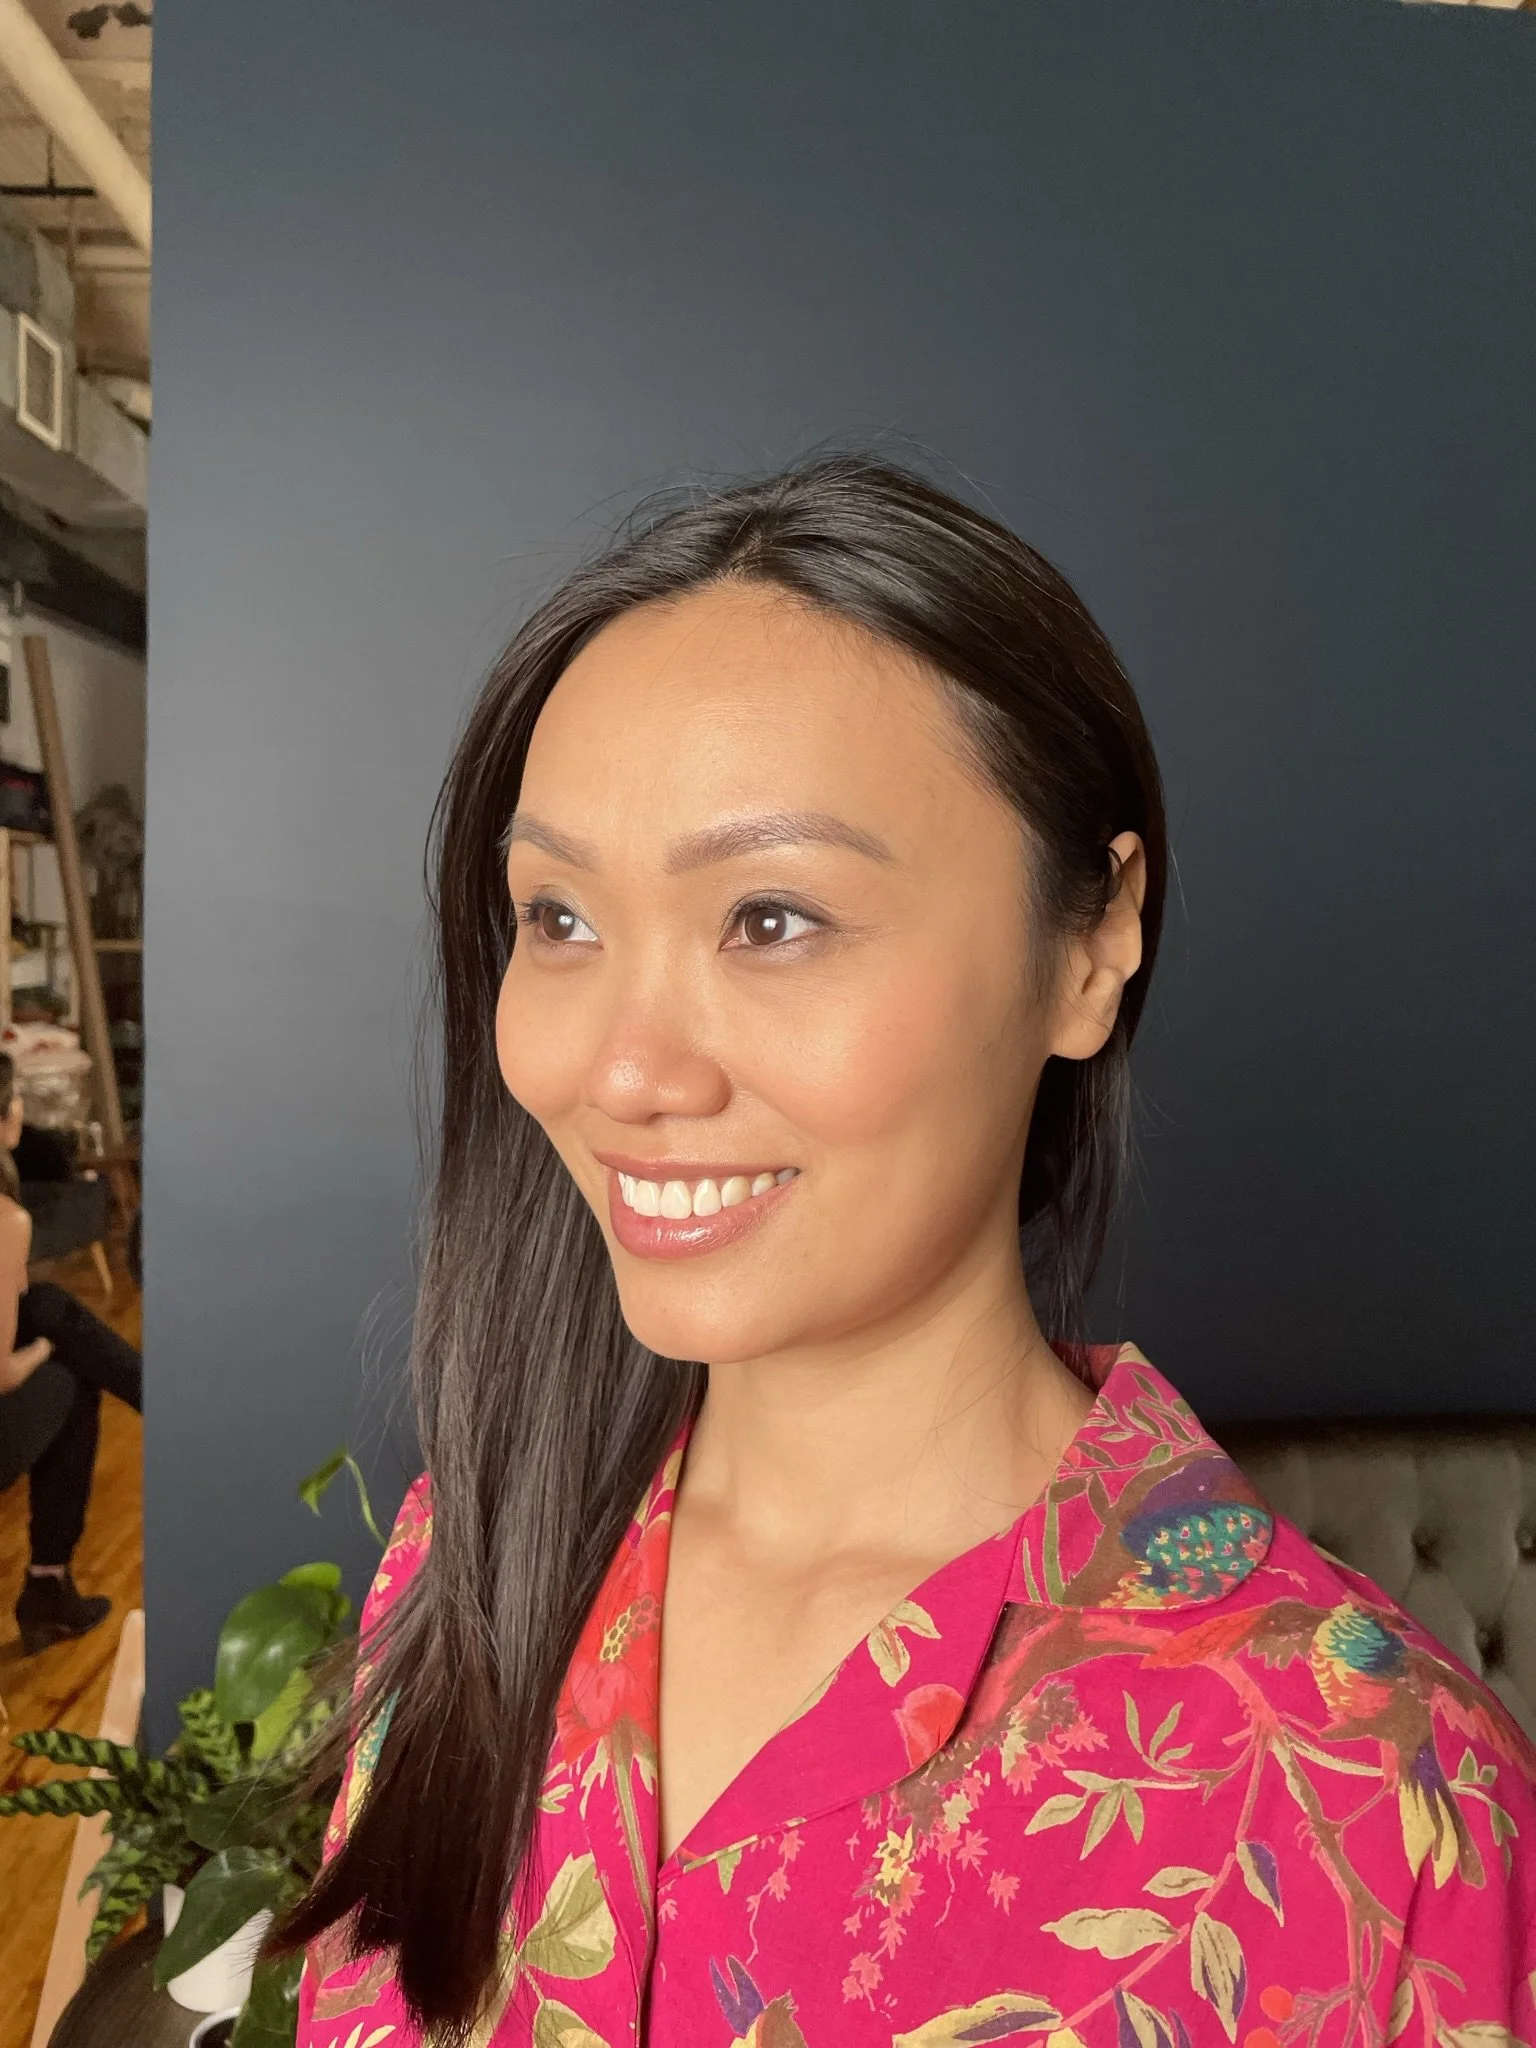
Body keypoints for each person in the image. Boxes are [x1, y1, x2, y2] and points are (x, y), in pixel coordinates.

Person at [274, 455, 1536, 2047]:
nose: (625, 1071)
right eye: (561, 921)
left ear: (1094, 942)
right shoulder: (475, 1564)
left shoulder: (1382, 1793)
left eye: (773, 919)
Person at [0, 1049, 141, 1652]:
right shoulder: (6, 1221)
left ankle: (49, 1592)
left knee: (48, 1307)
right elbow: (3, 1371)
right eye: (16, 1098)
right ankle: (47, 1586)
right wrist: (52, 1346)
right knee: (71, 1370)